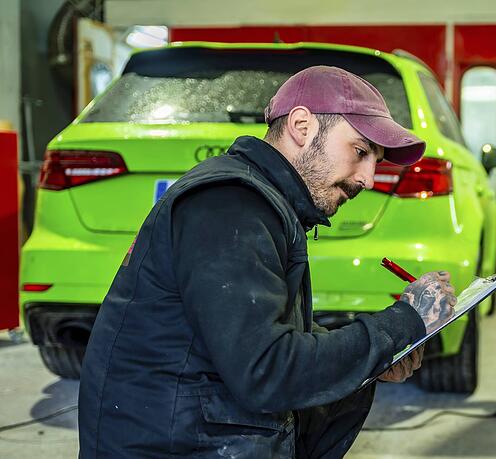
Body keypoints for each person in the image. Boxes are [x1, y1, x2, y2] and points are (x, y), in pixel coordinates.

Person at [78, 65, 457, 458]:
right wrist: (402, 322)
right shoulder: (231, 205)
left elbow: (261, 335)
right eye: (360, 152)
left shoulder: (262, 203)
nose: (368, 178)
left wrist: (373, 355)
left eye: (375, 161)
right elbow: (265, 370)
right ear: (301, 126)